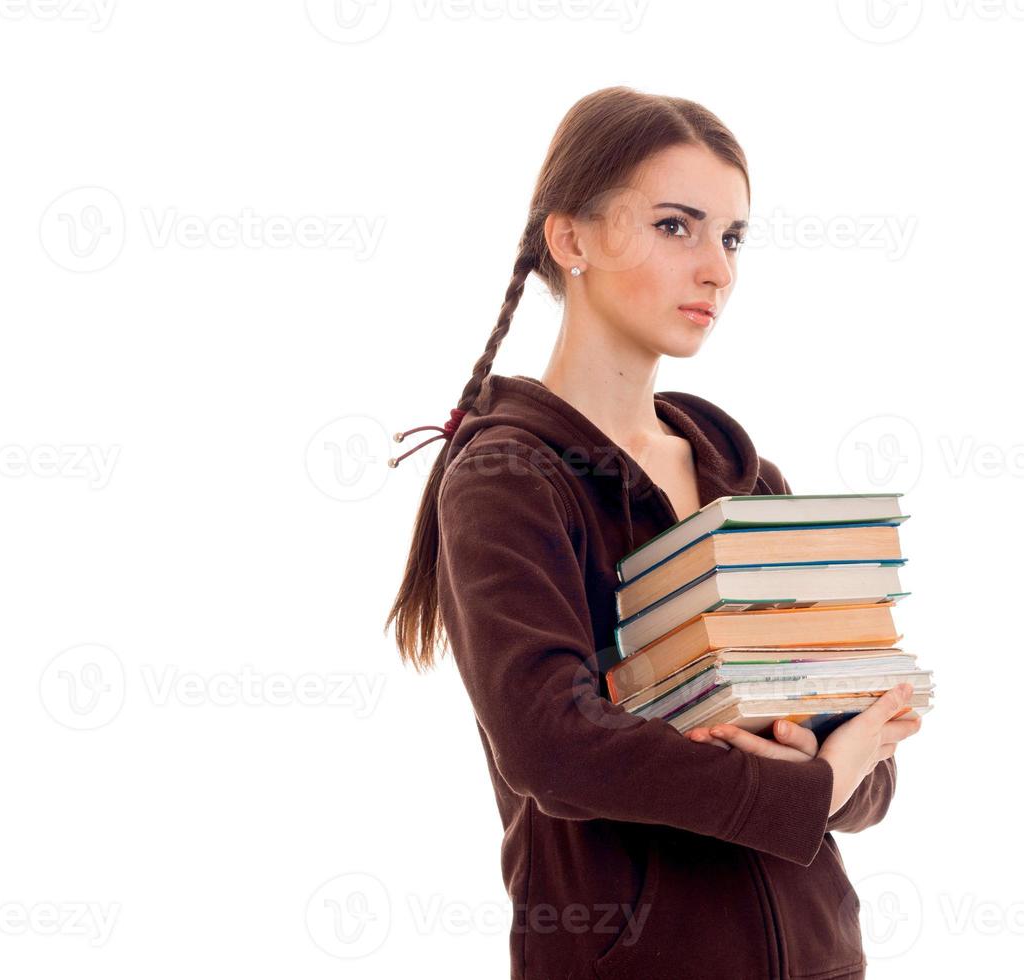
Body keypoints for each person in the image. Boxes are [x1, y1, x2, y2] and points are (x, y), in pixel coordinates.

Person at [386, 85, 923, 980]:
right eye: (678, 226)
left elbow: (871, 767)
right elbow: (551, 745)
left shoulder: (747, 482)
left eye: (732, 236)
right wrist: (811, 780)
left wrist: (826, 762)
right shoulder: (508, 479)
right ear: (571, 238)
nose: (718, 268)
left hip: (823, 958)